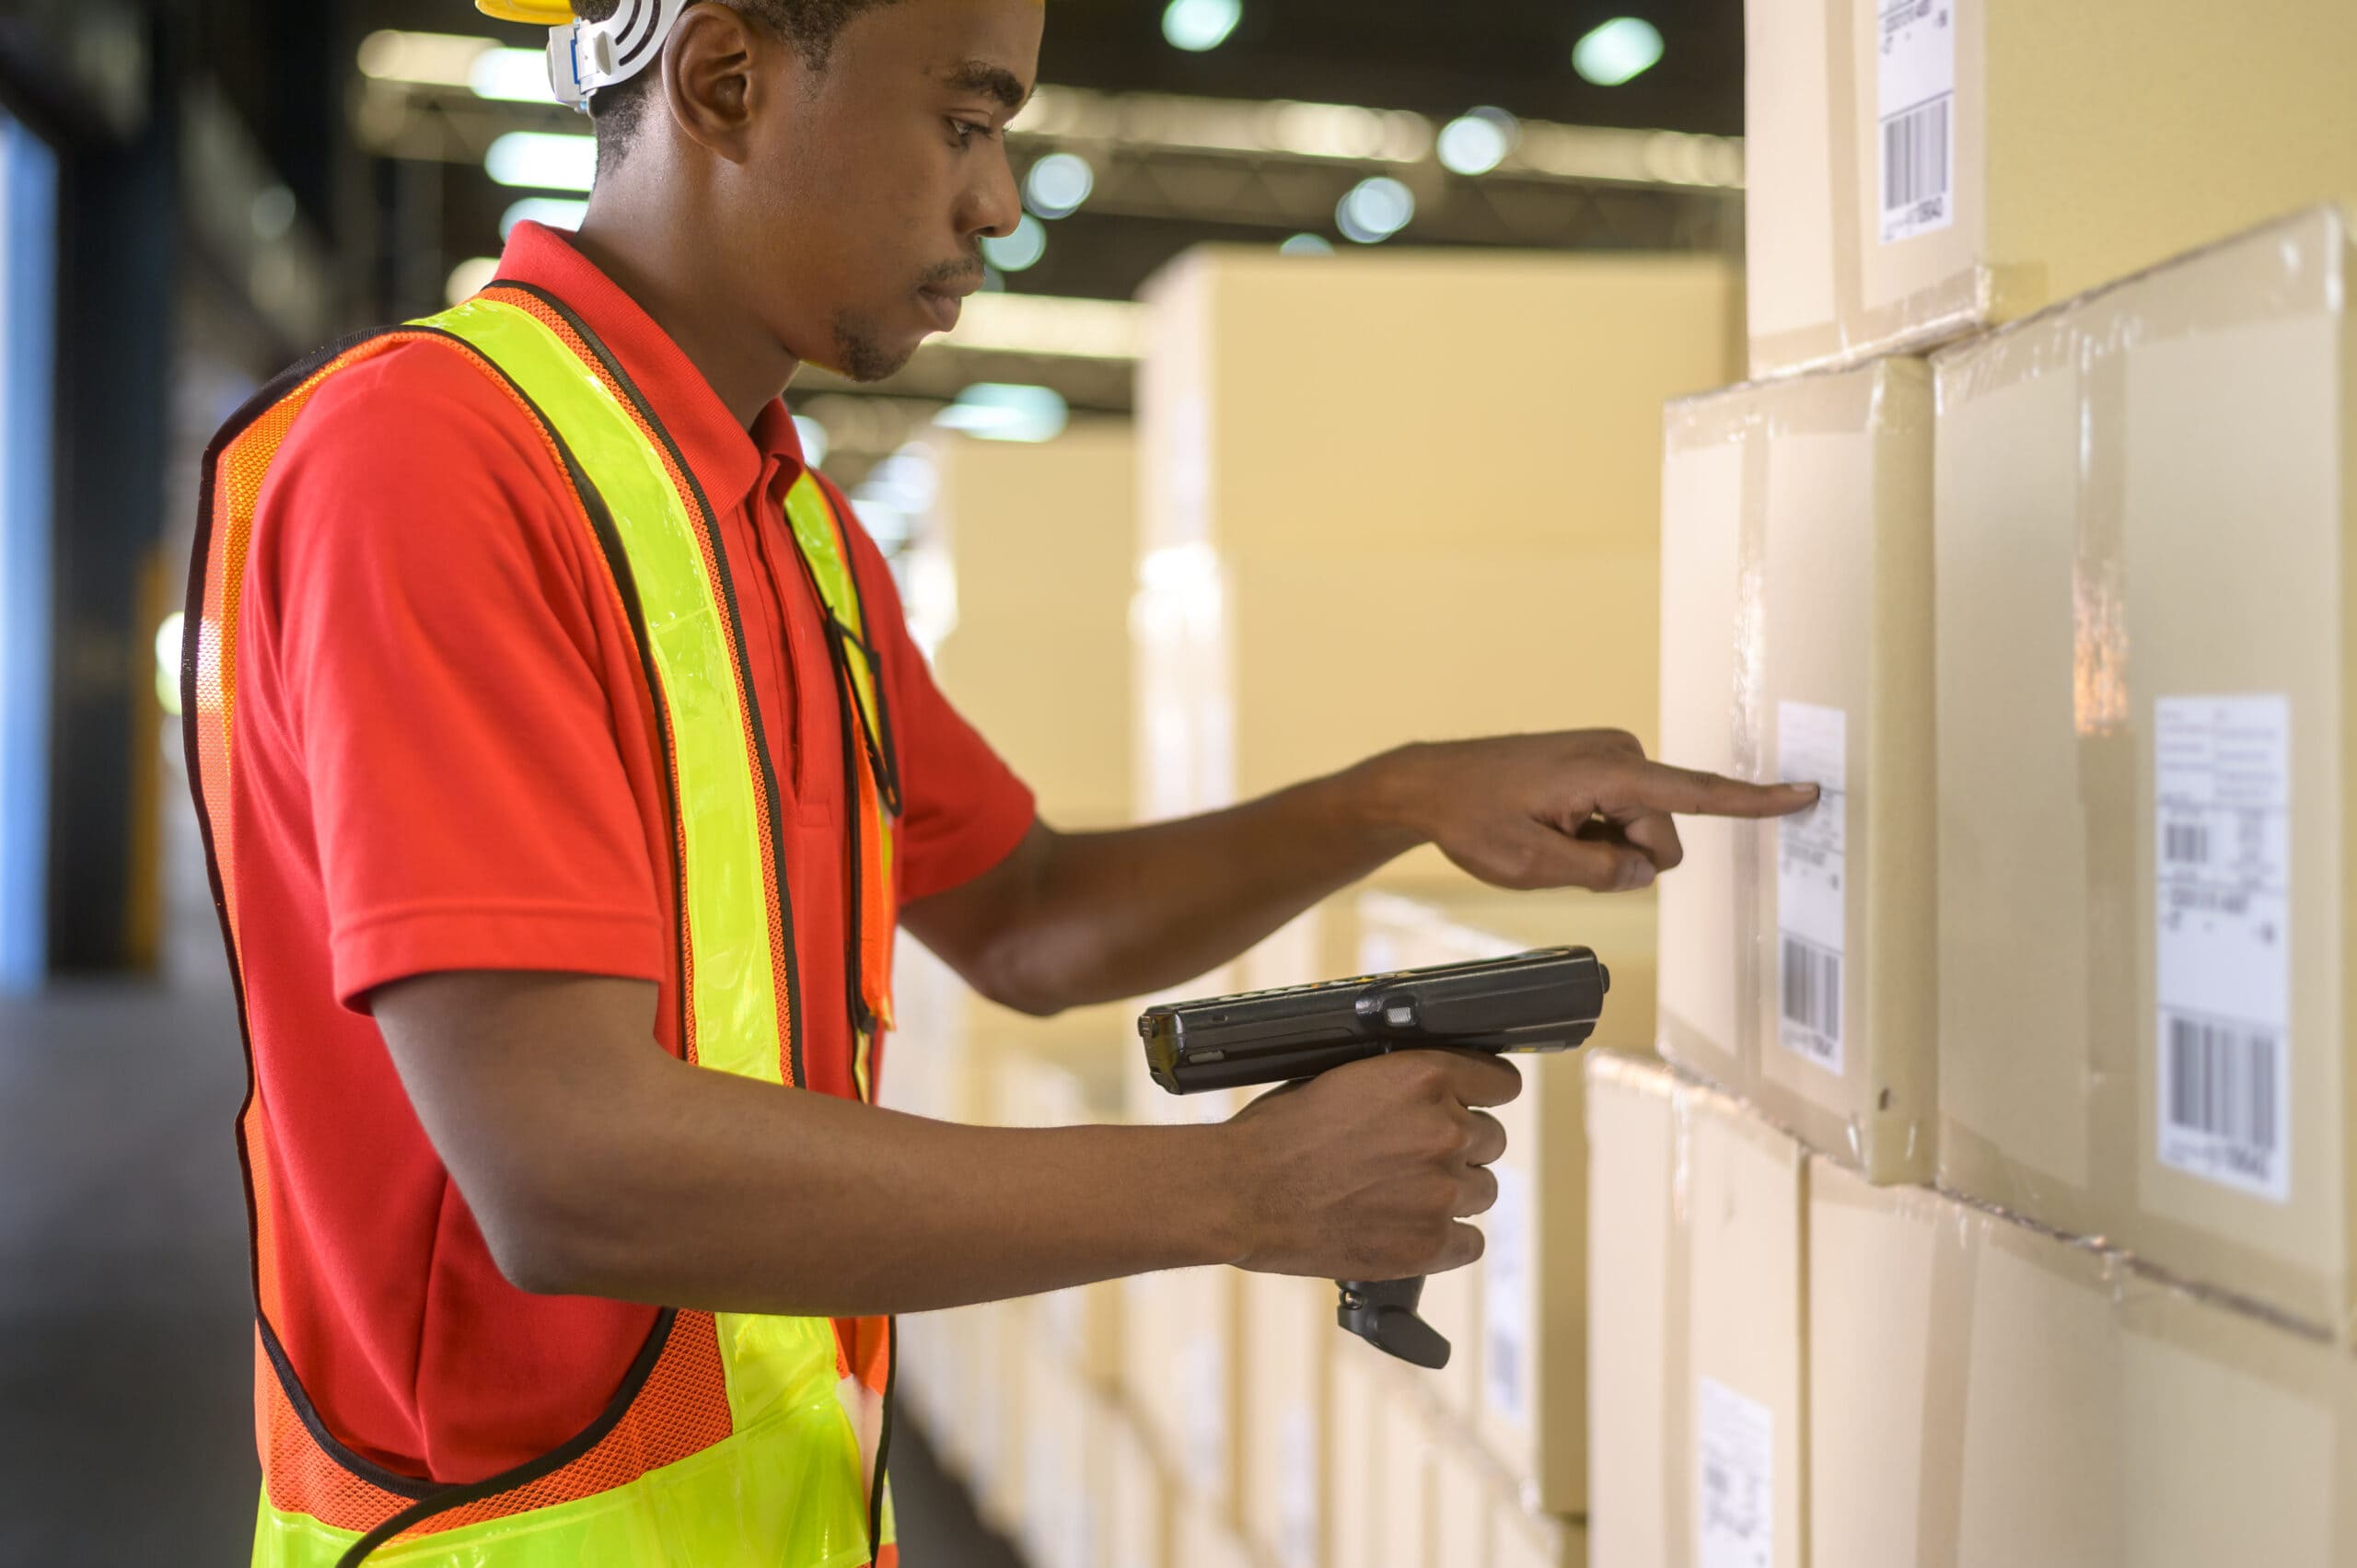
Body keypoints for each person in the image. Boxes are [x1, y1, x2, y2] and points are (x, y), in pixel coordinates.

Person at [186, 1, 1818, 1562]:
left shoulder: (784, 525)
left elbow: (1029, 921)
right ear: (725, 83)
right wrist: (1242, 1191)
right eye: (965, 121)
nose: (1003, 201)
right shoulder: (429, 463)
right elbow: (569, 1171)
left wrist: (1395, 796)